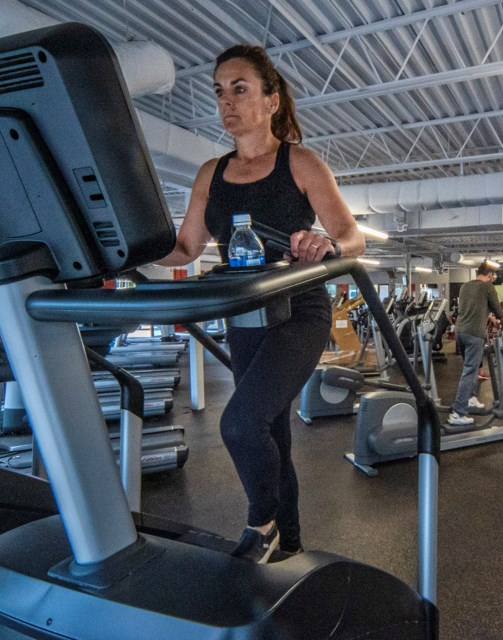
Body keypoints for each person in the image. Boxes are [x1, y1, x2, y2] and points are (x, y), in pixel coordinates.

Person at [156, 44, 365, 563]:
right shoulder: (211, 173)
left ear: (271, 101)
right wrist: (123, 247)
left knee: (239, 423)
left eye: (240, 88)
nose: (226, 101)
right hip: (245, 315)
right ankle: (290, 545)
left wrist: (329, 246)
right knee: (272, 430)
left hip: (299, 311)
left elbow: (351, 236)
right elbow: (185, 249)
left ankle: (261, 526)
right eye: (219, 92)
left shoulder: (300, 162)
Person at [449, 264, 503, 426]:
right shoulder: (488, 287)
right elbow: (497, 309)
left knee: (470, 369)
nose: (492, 278)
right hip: (474, 334)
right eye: (492, 276)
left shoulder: (465, 286)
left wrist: (489, 318)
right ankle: (458, 413)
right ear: (490, 274)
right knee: (470, 370)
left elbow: (472, 309)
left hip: (461, 332)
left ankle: (471, 398)